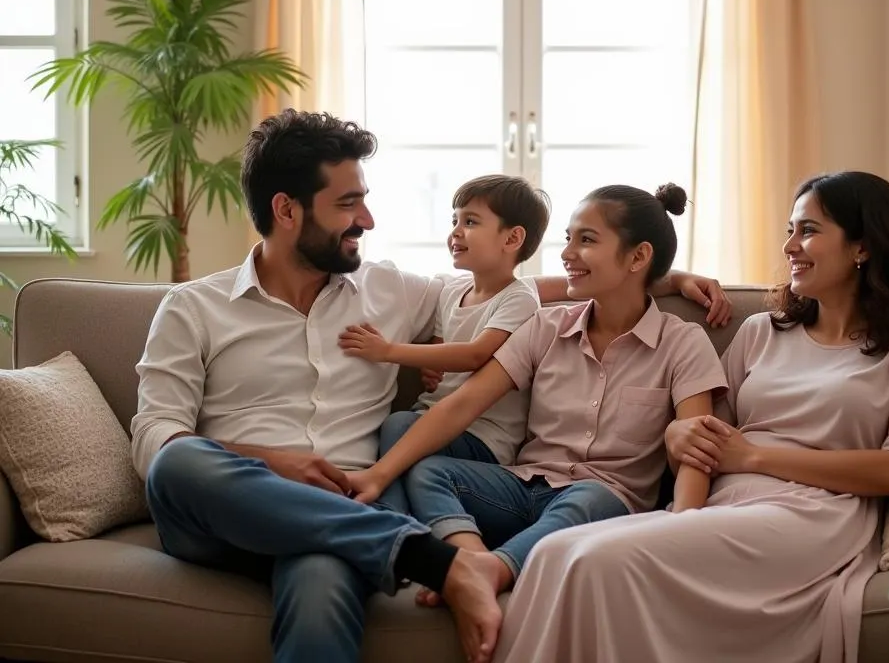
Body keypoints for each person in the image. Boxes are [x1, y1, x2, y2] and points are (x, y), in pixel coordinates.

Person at [131, 109, 730, 663]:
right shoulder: (193, 307)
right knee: (178, 461)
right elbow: (155, 436)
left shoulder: (390, 289)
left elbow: (504, 285)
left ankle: (403, 551)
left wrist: (659, 274)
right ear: (287, 210)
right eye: (349, 204)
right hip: (224, 515)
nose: (367, 220)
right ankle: (433, 559)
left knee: (320, 581)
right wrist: (269, 464)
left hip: (343, 519)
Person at [490, 171, 889, 663]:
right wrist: (679, 443)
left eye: (808, 230)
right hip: (727, 503)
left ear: (862, 247)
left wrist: (757, 456)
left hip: (815, 515)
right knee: (551, 553)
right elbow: (707, 434)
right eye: (789, 230)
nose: (789, 246)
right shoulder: (762, 331)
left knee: (597, 562)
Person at [347, 183, 727, 608]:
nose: (566, 252)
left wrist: (680, 533)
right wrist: (379, 474)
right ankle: (470, 562)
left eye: (586, 240)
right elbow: (462, 404)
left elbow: (697, 446)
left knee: (592, 496)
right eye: (568, 238)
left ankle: (498, 567)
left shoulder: (683, 343)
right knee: (429, 471)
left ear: (638, 257)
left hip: (602, 501)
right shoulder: (546, 327)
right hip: (522, 485)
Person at [339, 175, 551, 492]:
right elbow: (442, 347)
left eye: (471, 221)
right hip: (431, 420)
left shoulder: (519, 298)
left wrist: (386, 351)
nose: (455, 232)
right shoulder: (452, 290)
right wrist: (431, 365)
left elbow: (475, 354)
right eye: (455, 220)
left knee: (398, 426)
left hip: (484, 437)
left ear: (511, 239)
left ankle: (382, 505)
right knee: (397, 434)